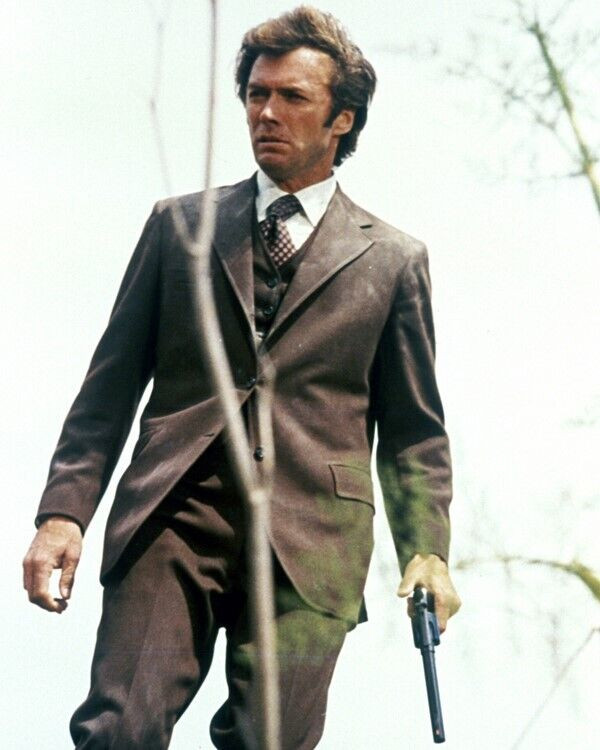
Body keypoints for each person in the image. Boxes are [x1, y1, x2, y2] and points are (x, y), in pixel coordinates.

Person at [23, 6, 460, 749]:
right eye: (257, 95)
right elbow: (108, 389)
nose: (266, 113)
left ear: (342, 119)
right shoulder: (178, 227)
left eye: (293, 97)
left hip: (314, 541)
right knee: (118, 730)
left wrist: (428, 550)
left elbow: (414, 431)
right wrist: (62, 513)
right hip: (173, 515)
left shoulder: (393, 260)